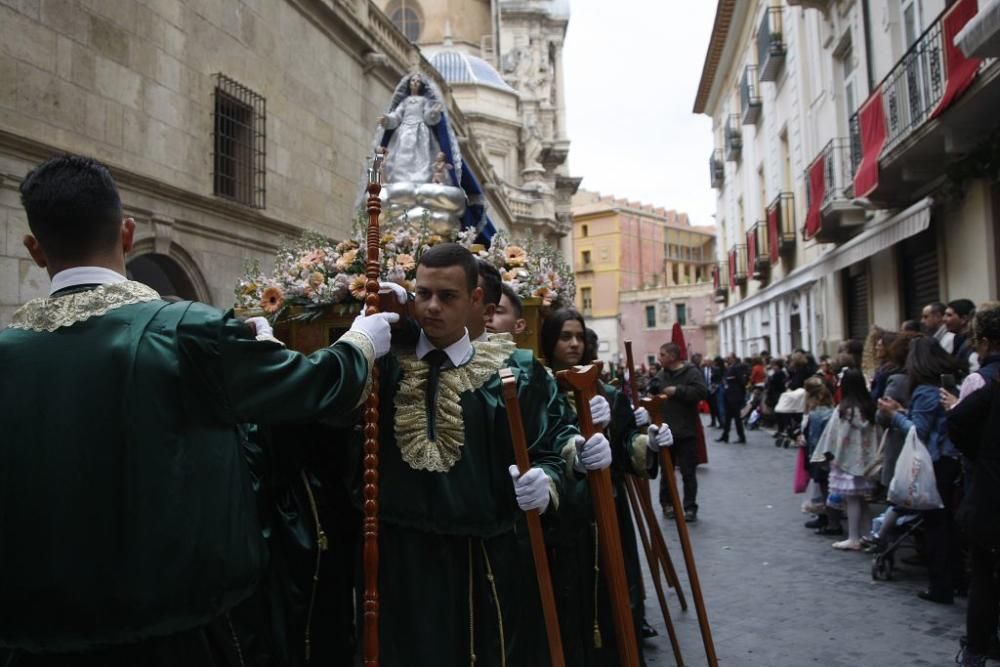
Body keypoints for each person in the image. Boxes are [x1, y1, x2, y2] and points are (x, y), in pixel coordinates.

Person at [0, 155, 397, 665]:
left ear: (35, 249)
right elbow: (311, 387)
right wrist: (361, 341)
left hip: (32, 644)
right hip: (179, 637)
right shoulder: (187, 331)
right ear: (126, 233)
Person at [368, 243, 595, 666]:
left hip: (487, 561)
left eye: (447, 296)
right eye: (423, 294)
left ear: (476, 300)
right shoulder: (385, 365)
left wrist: (549, 478)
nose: (432, 307)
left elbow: (551, 442)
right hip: (402, 560)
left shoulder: (517, 371)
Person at [541, 309, 671, 664]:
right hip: (564, 519)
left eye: (579, 336)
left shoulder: (608, 393)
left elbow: (628, 446)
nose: (573, 343)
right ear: (549, 340)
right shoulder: (538, 390)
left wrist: (649, 444)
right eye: (565, 336)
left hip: (609, 511)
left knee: (616, 596)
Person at [878, 336, 965, 604]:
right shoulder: (946, 384)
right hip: (949, 459)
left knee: (936, 525)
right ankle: (957, 579)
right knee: (947, 523)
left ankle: (941, 585)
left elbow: (918, 432)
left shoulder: (925, 390)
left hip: (936, 462)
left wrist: (895, 416)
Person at [947, 369, 1000, 667]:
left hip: (990, 494)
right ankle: (978, 649)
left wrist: (980, 455)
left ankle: (977, 650)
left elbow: (956, 419)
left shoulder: (992, 389)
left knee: (983, 577)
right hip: (990, 495)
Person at [811, 369, 879, 550]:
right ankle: (868, 534)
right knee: (860, 500)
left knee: (852, 500)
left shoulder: (844, 410)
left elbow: (835, 437)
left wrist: (828, 456)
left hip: (847, 461)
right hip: (864, 460)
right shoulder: (868, 408)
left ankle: (854, 537)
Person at [649, 342, 709, 521]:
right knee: (666, 473)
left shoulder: (691, 372)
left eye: (662, 355)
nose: (659, 358)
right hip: (665, 432)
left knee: (688, 473)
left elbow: (702, 392)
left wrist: (678, 391)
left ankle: (690, 507)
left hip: (686, 431)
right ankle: (667, 505)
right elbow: (654, 391)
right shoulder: (661, 374)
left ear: (673, 356)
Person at [799, 377, 838, 534]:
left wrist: (811, 459)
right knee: (829, 487)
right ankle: (831, 519)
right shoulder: (832, 412)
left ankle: (831, 522)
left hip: (820, 456)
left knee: (824, 488)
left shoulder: (816, 414)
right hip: (831, 454)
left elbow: (815, 439)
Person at [718, 353, 748, 444]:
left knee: (737, 418)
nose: (727, 359)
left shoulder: (736, 367)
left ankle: (741, 437)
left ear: (733, 358)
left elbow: (741, 382)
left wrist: (741, 395)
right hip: (729, 396)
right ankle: (725, 435)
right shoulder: (730, 367)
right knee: (728, 418)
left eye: (729, 358)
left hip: (735, 396)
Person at [946, 298, 977, 370]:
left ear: (963, 319)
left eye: (949, 315)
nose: (944, 319)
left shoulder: (972, 343)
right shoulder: (957, 339)